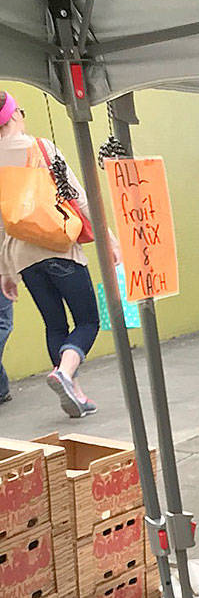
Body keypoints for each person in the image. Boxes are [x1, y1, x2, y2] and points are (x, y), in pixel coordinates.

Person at [0, 90, 110, 418]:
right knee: (89, 320)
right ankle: (64, 374)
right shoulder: (41, 148)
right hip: (58, 246)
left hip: (22, 256)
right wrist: (109, 237)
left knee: (54, 325)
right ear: (14, 115)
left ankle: (72, 390)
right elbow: (79, 197)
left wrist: (5, 271)